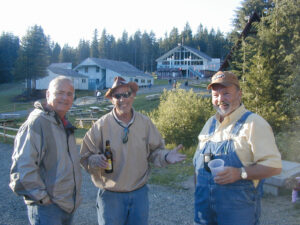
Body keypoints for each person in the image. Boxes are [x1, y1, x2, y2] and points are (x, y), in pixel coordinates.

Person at [80, 76, 186, 225]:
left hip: (139, 194)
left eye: (127, 94)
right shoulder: (100, 126)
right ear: (111, 99)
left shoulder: (145, 123)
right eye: (117, 96)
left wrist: (167, 156)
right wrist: (94, 160)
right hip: (110, 196)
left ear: (133, 95)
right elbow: (84, 157)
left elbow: (155, 152)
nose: (123, 99)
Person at [193, 71, 282, 225]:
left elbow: (274, 167)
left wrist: (240, 173)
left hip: (237, 215)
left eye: (226, 93)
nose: (220, 99)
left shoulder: (254, 123)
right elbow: (197, 164)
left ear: (239, 94)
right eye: (215, 95)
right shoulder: (209, 124)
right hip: (204, 213)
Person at [9, 76, 82, 225]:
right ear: (48, 94)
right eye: (60, 92)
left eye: (69, 94)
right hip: (48, 208)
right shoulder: (37, 123)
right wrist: (42, 199)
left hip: (66, 205)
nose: (65, 98)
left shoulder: (62, 123)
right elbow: (22, 170)